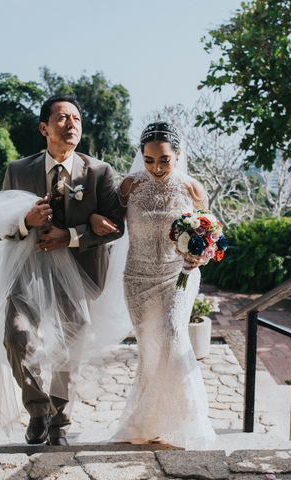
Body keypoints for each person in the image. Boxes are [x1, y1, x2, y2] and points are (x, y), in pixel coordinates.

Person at [0, 93, 124, 446]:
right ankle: (38, 409)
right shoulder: (18, 170)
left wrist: (71, 235)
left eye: (76, 118)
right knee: (16, 335)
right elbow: (0, 226)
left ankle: (60, 414)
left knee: (76, 336)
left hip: (79, 269)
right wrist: (26, 221)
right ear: (44, 127)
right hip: (27, 270)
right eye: (61, 118)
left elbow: (117, 225)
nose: (71, 124)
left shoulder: (99, 172)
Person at [89, 122, 217, 449]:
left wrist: (199, 258)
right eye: (149, 160)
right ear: (141, 157)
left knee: (174, 332)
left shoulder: (192, 189)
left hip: (178, 274)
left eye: (164, 160)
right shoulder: (128, 187)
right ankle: (148, 423)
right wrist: (93, 220)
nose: (156, 168)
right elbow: (111, 223)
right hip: (137, 276)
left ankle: (185, 421)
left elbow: (214, 236)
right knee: (149, 348)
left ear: (178, 156)